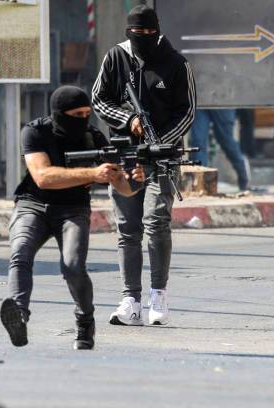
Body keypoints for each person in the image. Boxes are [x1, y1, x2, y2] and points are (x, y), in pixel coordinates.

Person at [0, 85, 144, 350]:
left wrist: (134, 181)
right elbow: (43, 177)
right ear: (59, 113)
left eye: (87, 113)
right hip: (33, 205)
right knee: (20, 253)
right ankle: (18, 314)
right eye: (77, 114)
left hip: (73, 209)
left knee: (73, 266)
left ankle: (85, 321)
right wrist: (92, 174)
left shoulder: (93, 137)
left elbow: (121, 185)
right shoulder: (35, 132)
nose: (83, 119)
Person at [91, 5, 195, 326]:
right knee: (127, 228)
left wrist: (160, 143)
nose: (145, 38)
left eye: (151, 33)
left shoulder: (177, 64)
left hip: (162, 159)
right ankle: (130, 300)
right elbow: (99, 99)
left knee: (157, 222)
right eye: (140, 34)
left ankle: (158, 295)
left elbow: (188, 111)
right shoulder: (115, 58)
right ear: (129, 33)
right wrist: (129, 119)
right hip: (124, 157)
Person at [191, 109, 250, 191]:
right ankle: (199, 185)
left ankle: (244, 178)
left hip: (222, 101)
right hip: (200, 102)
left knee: (227, 141)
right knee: (198, 142)